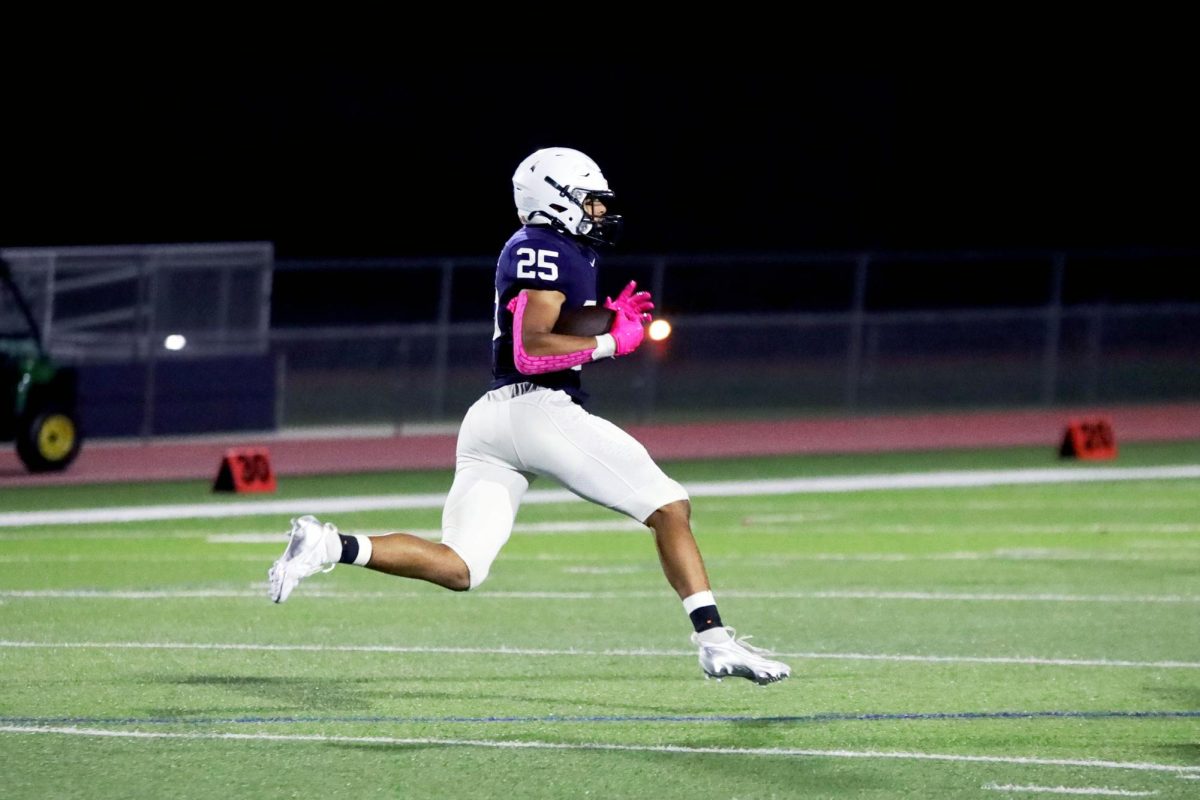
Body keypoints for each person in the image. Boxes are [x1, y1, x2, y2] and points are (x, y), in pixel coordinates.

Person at [269, 147, 790, 684]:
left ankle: (328, 544)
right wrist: (613, 341)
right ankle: (714, 641)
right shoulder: (543, 248)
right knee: (668, 506)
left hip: (493, 420)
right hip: (539, 409)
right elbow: (532, 348)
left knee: (462, 567)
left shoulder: (555, 249)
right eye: (590, 203)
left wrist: (606, 316)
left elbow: (549, 318)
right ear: (558, 201)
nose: (600, 213)